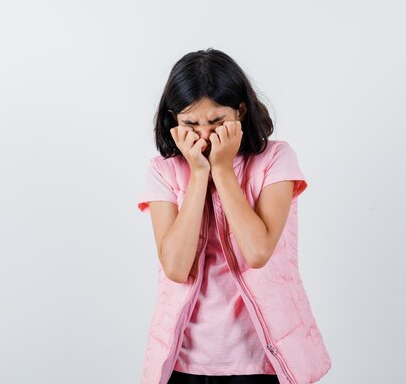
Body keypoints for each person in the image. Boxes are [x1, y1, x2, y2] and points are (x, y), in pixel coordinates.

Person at [137, 48, 331, 384]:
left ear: (240, 111)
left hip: (261, 362)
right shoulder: (163, 172)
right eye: (190, 123)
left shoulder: (275, 159)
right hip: (184, 364)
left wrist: (223, 170)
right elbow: (176, 267)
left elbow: (257, 252)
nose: (204, 135)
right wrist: (199, 176)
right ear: (173, 119)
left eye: (216, 121)